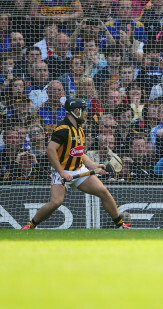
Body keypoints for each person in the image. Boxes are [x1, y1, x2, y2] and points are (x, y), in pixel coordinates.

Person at [21, 98, 130, 229]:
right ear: (76, 111)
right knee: (56, 202)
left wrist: (93, 165)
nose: (86, 113)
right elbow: (50, 150)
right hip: (62, 171)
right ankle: (30, 225)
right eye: (84, 111)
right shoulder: (63, 129)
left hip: (79, 170)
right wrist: (62, 173)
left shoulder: (79, 129)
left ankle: (120, 224)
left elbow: (78, 152)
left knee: (103, 192)